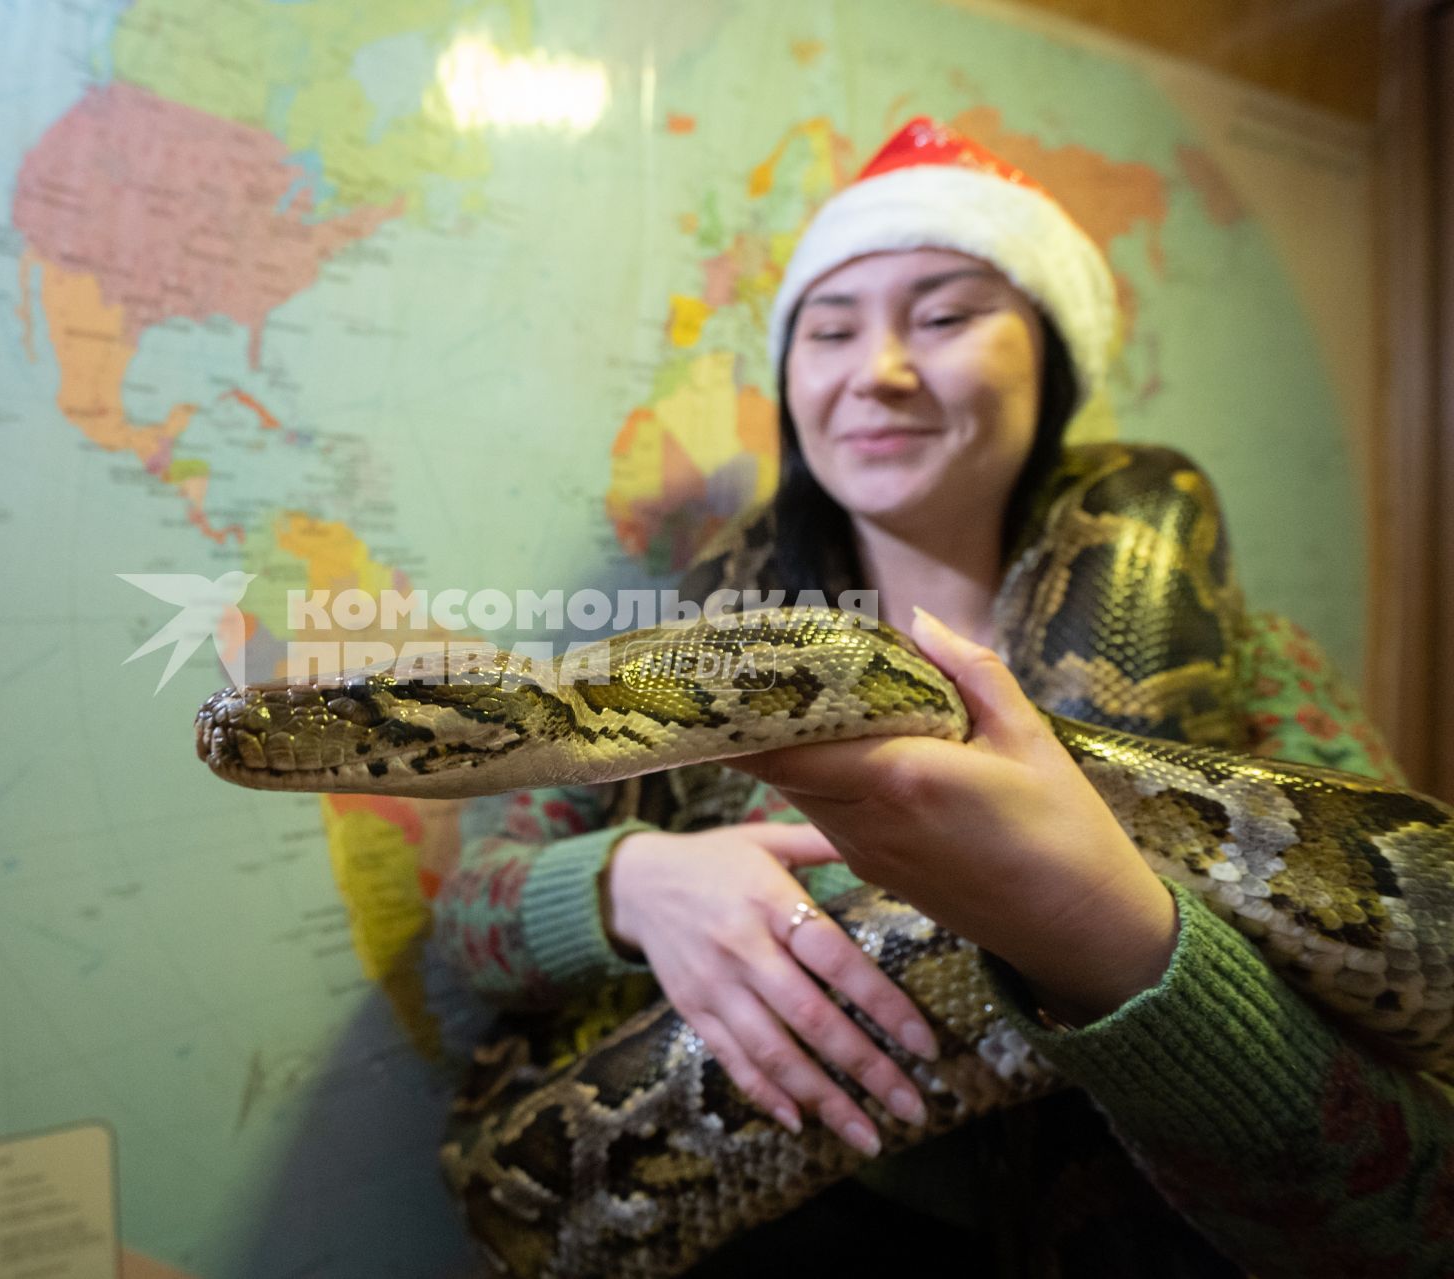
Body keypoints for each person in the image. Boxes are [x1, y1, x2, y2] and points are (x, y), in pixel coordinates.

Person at [432, 118, 1449, 1276]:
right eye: (829, 329)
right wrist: (630, 883)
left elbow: (1412, 1189)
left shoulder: (1255, 658)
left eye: (947, 315)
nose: (879, 370)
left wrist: (1109, 933)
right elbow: (471, 920)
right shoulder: (697, 652)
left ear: (1051, 364)